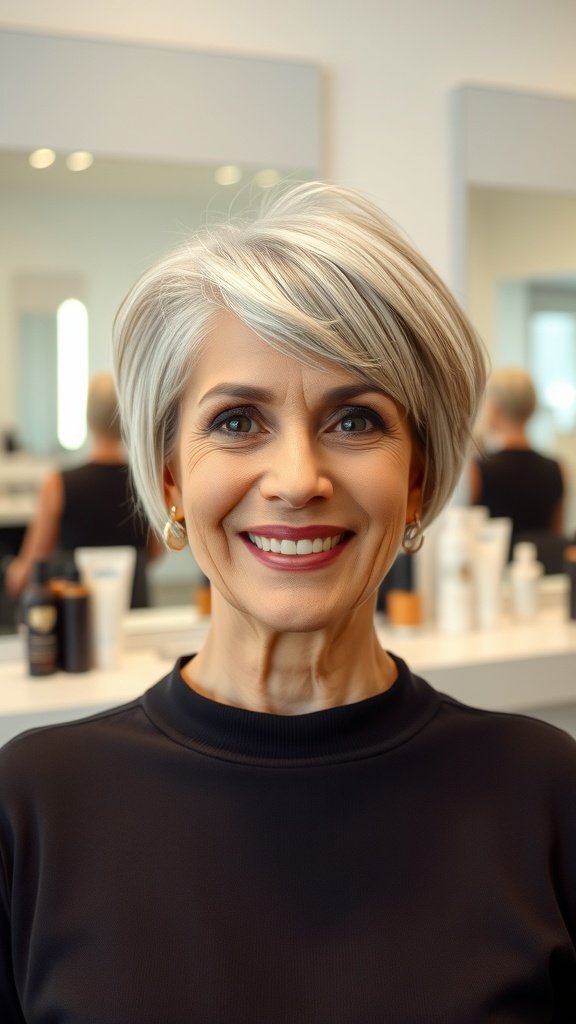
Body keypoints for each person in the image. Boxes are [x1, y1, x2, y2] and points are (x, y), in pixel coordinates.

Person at [1, 182, 576, 1022]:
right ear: (170, 478)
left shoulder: (543, 794)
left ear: (416, 480)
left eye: (355, 421)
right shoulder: (34, 812)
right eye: (237, 422)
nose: (299, 480)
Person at [4, 372, 162, 608]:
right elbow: (153, 554)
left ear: (88, 418)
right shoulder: (146, 481)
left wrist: (11, 573)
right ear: (125, 419)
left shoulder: (57, 484)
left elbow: (32, 567)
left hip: (75, 617)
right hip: (132, 614)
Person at [470, 366, 566, 561]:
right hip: (545, 576)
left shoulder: (480, 469)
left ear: (495, 409)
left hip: (495, 577)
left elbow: (470, 533)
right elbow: (556, 533)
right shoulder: (556, 468)